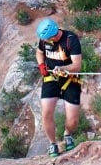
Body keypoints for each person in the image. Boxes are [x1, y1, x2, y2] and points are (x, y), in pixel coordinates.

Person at [35, 18, 82, 157]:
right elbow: (39, 52)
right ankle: (52, 144)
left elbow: (77, 65)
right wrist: (41, 65)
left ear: (54, 35)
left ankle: (68, 134)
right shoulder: (44, 40)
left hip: (70, 78)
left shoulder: (70, 40)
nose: (45, 42)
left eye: (48, 39)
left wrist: (62, 68)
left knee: (72, 119)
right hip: (51, 78)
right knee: (46, 113)